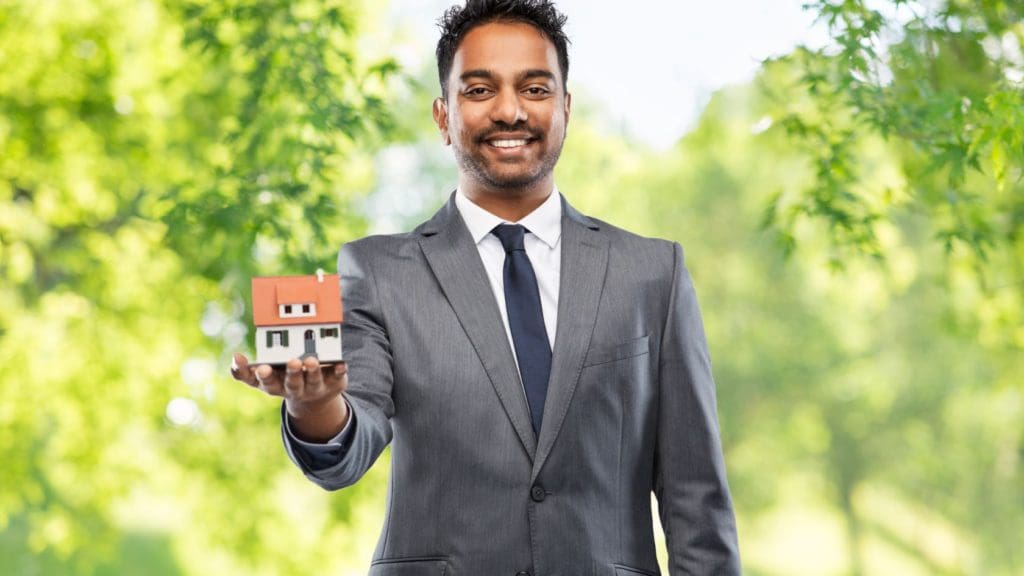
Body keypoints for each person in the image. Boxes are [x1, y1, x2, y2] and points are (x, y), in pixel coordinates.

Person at [230, 0, 741, 573]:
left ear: (566, 108)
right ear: (443, 116)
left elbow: (697, 499)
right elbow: (349, 446)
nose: (509, 110)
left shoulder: (653, 274)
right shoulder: (379, 272)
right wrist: (316, 404)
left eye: (535, 89)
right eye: (478, 90)